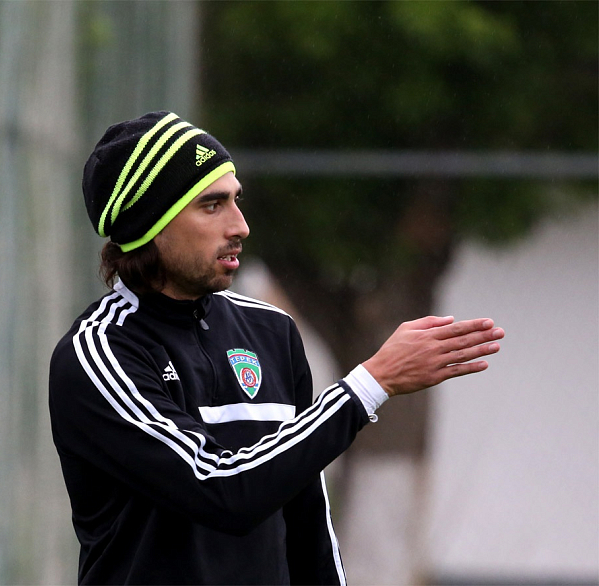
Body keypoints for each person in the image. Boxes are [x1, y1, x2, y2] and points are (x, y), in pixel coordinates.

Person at [49, 111, 504, 586]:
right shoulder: (100, 354)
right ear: (150, 226)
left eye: (236, 200)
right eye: (211, 206)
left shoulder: (270, 331)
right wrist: (370, 384)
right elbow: (220, 488)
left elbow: (308, 523)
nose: (240, 226)